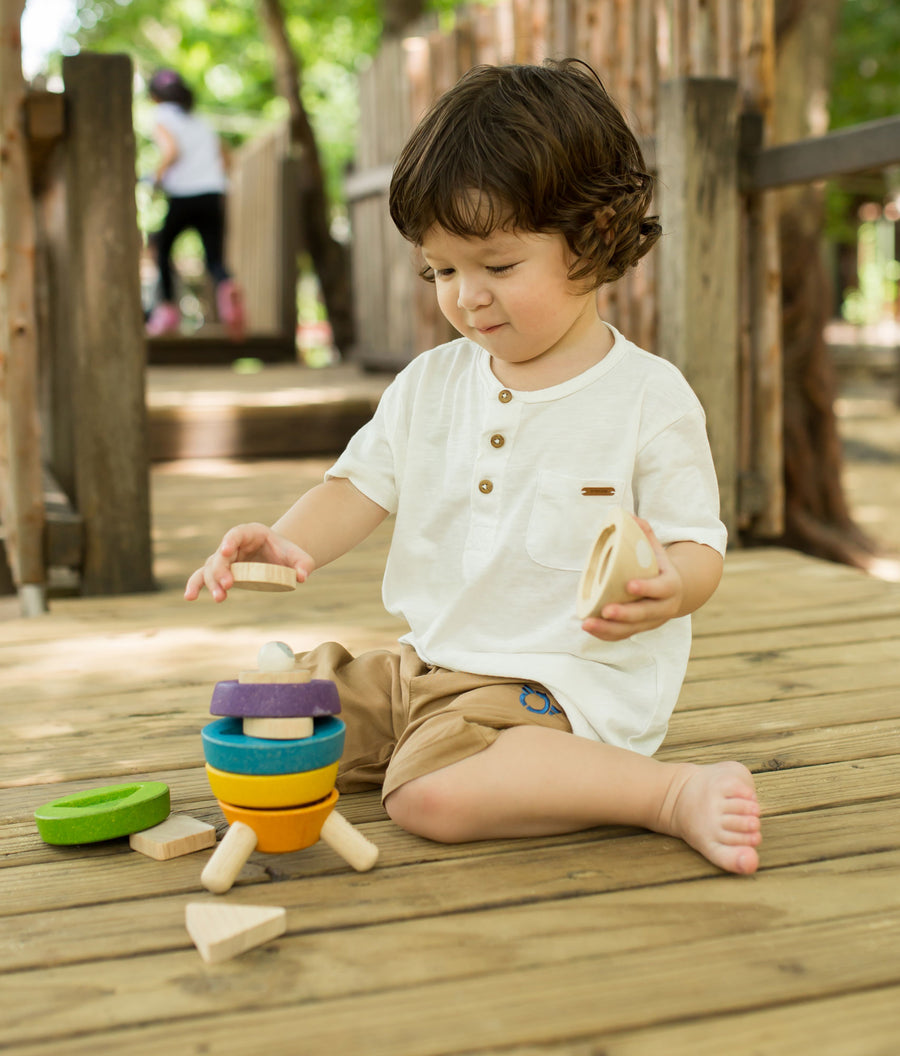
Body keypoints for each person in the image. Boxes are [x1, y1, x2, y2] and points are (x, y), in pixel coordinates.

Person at [185, 59, 761, 875]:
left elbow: (698, 546)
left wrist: (673, 586)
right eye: (442, 271)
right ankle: (434, 737)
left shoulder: (646, 397)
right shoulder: (431, 382)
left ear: (594, 240)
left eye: (497, 267)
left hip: (559, 687)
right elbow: (357, 486)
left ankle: (664, 794)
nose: (466, 298)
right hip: (427, 664)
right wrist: (285, 542)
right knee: (272, 711)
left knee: (428, 797)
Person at [145, 69, 244, 339]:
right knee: (215, 258)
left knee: (162, 248)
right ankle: (227, 286)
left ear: (154, 96)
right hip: (213, 193)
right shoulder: (201, 121)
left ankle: (166, 310)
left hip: (183, 195)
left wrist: (154, 179)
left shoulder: (161, 116)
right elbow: (227, 158)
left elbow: (171, 151)